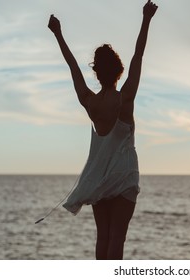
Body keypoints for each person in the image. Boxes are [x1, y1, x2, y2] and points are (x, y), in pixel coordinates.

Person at [48, 0, 158, 260]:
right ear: (119, 70)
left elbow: (73, 67)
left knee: (103, 238)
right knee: (117, 239)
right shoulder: (125, 99)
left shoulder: (90, 102)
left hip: (100, 180)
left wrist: (58, 34)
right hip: (124, 177)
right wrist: (146, 19)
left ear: (97, 73)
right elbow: (138, 56)